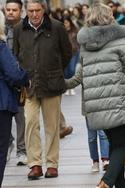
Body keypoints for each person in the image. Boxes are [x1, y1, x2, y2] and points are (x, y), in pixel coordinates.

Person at [65, 2, 125, 187]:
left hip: (95, 107)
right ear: (109, 17)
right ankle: (106, 181)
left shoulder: (85, 46)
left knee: (114, 145)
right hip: (119, 103)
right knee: (123, 146)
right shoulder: (120, 40)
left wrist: (63, 84)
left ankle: (120, 185)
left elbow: (79, 75)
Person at [13, 0, 72, 180]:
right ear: (25, 10)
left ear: (43, 10)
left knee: (52, 126)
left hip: (52, 84)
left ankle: (52, 164)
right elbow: (16, 54)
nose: (34, 14)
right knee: (30, 123)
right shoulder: (18, 29)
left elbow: (67, 53)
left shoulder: (57, 27)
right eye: (30, 11)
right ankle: (35, 164)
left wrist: (55, 71)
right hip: (29, 85)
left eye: (37, 10)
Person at [0, 9, 29, 187]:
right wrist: (25, 77)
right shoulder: (1, 47)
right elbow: (14, 74)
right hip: (1, 103)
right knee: (1, 148)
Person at [4, 0, 27, 166]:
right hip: (3, 79)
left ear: (21, 11)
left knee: (21, 117)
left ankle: (21, 150)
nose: (10, 12)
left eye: (14, 10)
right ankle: (8, 143)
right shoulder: (1, 28)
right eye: (8, 9)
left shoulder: (25, 29)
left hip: (18, 77)